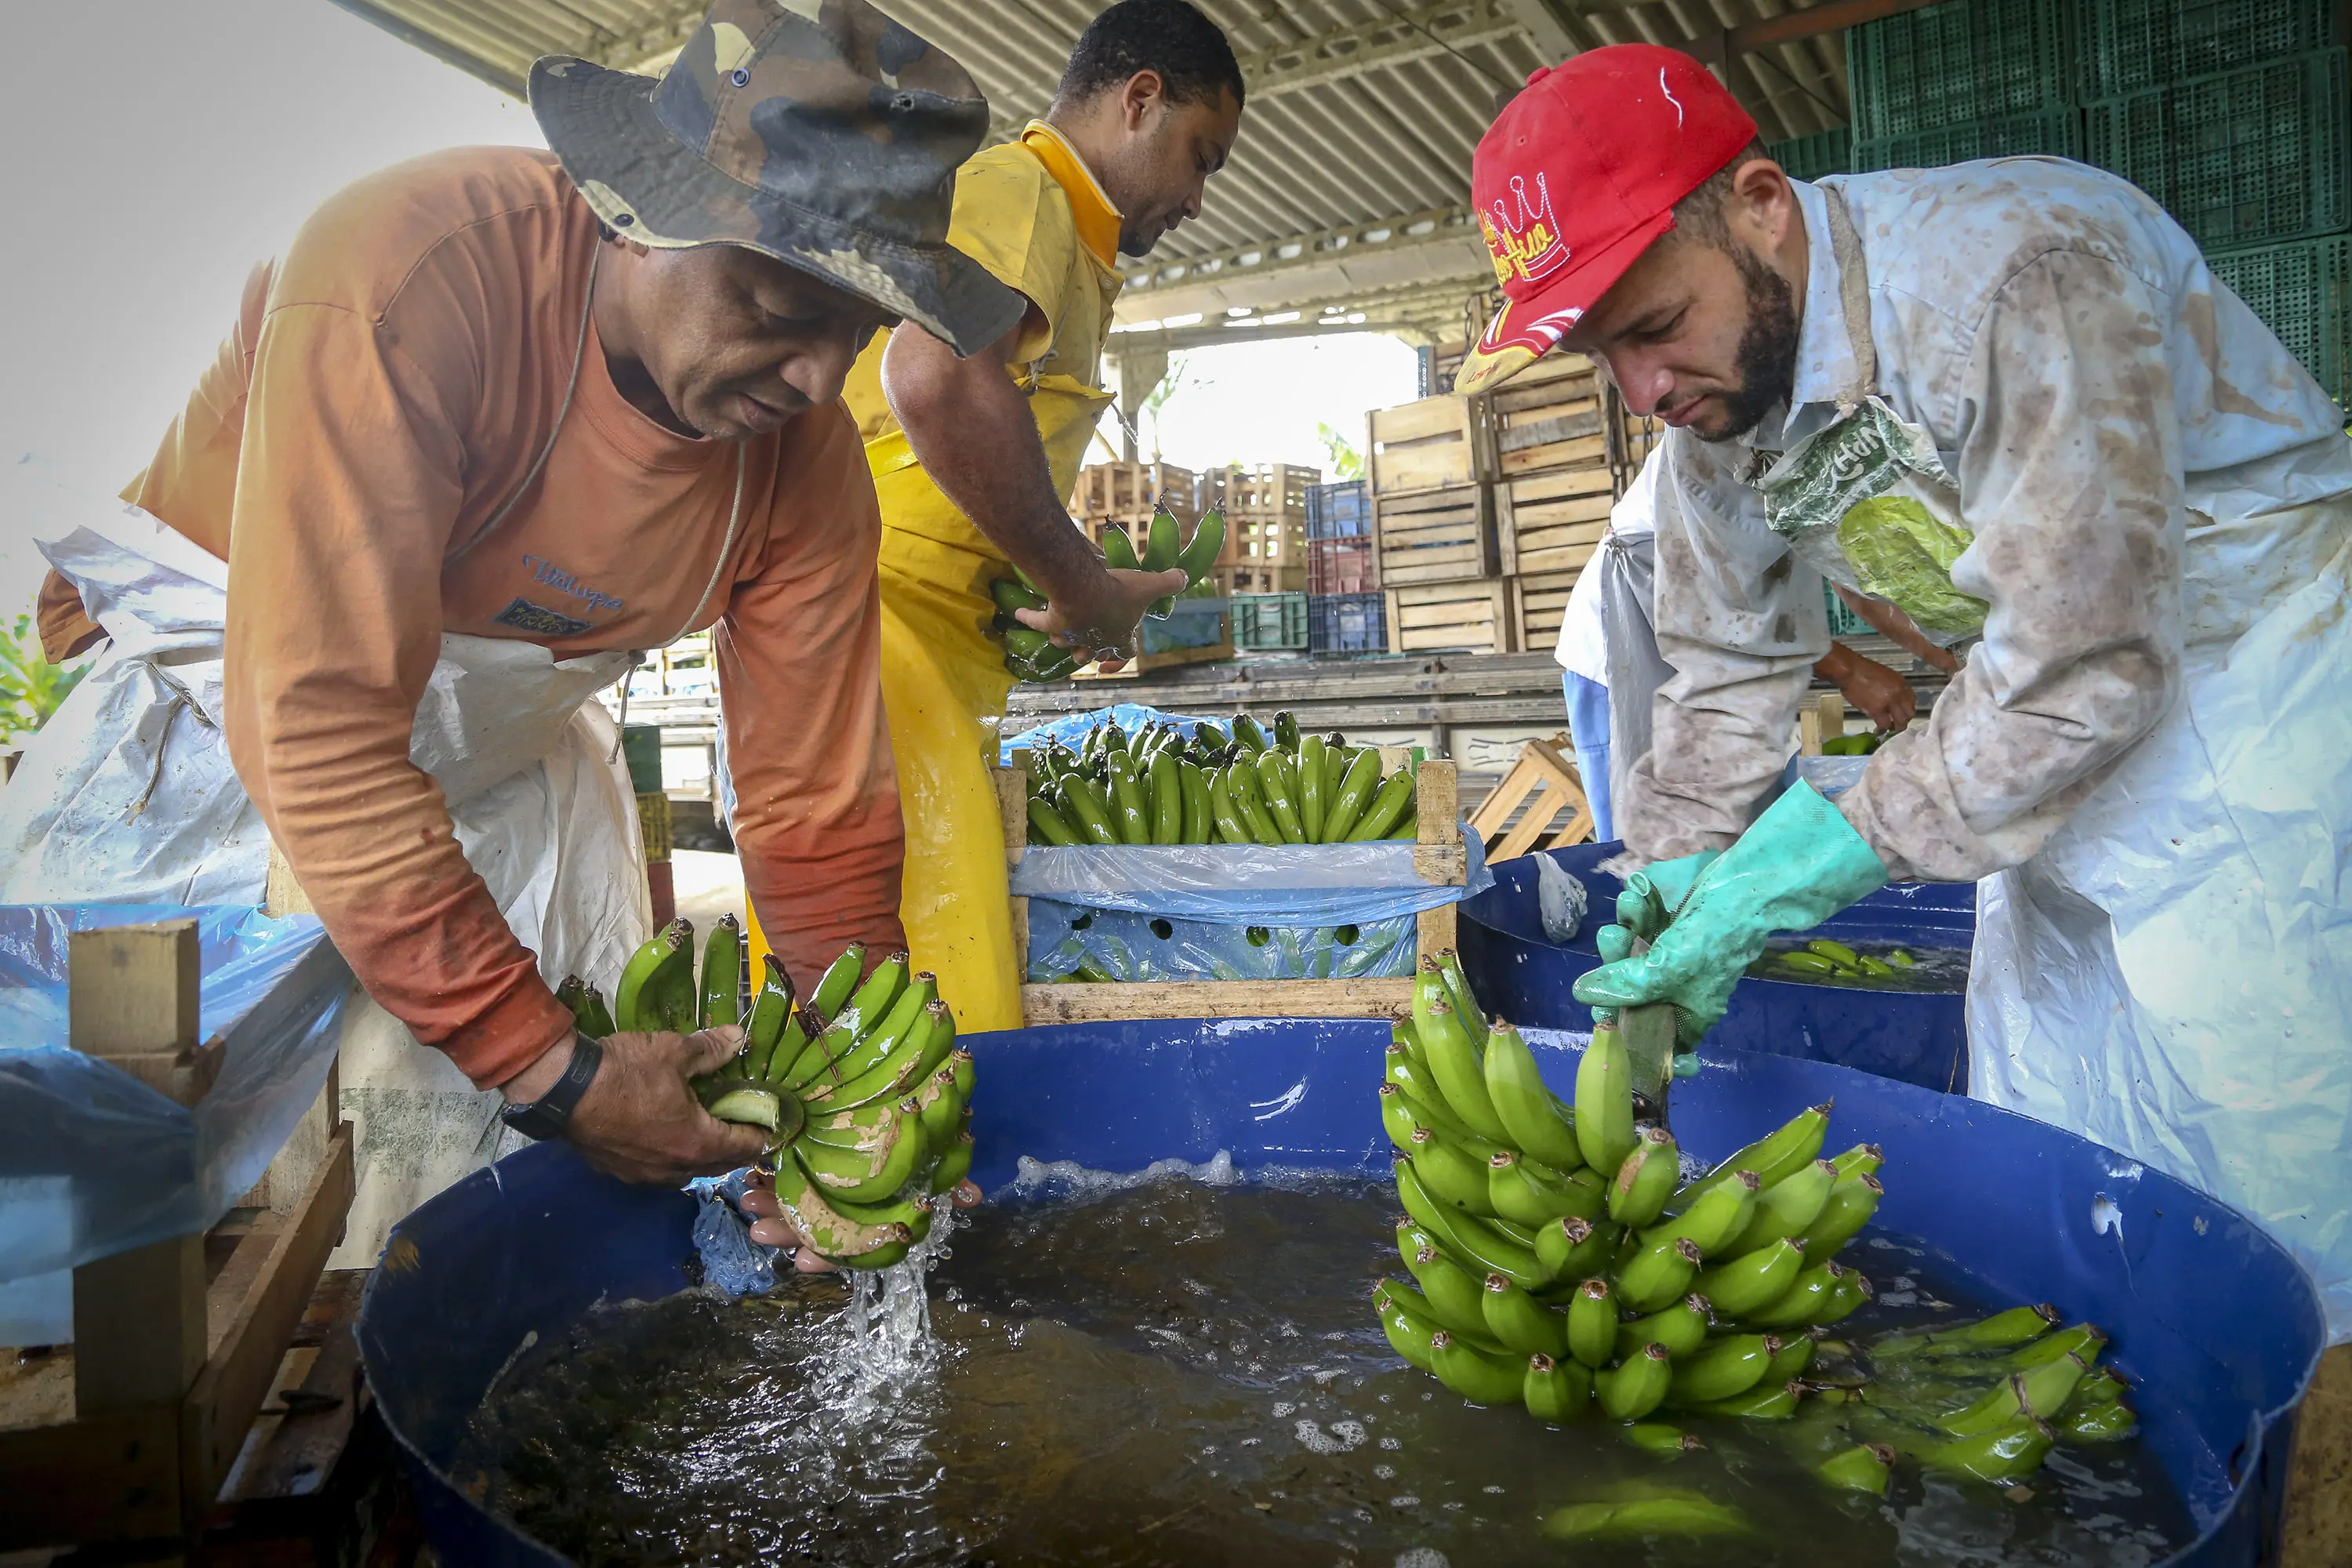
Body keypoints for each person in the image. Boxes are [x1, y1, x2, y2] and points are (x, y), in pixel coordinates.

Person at [1, 0, 1022, 1255]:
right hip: (210, 750)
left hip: (491, 780)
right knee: (92, 1211)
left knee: (436, 1223)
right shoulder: (407, 276)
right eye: (778, 306)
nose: (819, 382)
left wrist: (873, 1108)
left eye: (857, 333)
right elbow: (315, 721)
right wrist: (556, 1072)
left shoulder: (802, 468)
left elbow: (814, 815)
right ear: (636, 216)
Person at [1459, 45, 2352, 1341]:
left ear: (1760, 205)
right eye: (1604, 355)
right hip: (2024, 743)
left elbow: (2087, 657)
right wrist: (1681, 865)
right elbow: (1724, 684)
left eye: (1653, 326)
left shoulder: (2018, 272)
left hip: (2257, 699)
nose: (1644, 389)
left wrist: (1800, 864)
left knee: (2275, 1154)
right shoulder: (1717, 420)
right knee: (2059, 1116)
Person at [831, 0, 1244, 1032]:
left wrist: (1044, 585)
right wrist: (1081, 586)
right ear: (1140, 100)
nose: (1198, 197)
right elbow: (933, 375)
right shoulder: (1023, 191)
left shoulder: (1068, 245)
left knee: (916, 996)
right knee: (933, 1005)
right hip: (874, 641)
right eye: (1204, 156)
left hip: (930, 659)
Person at [1555, 448, 1936, 842]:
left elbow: (1849, 575)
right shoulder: (1718, 440)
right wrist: (1851, 671)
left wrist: (1954, 659)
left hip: (1714, 651)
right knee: (1646, 836)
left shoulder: (1828, 445)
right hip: (1628, 634)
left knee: (1727, 822)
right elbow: (1724, 597)